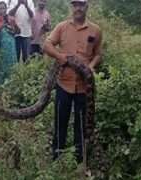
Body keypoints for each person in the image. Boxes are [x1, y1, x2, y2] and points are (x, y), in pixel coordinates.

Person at [43, 0, 102, 163]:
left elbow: (98, 54)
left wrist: (90, 66)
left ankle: (79, 161)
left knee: (82, 126)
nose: (78, 8)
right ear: (72, 7)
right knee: (60, 123)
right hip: (64, 85)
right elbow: (47, 45)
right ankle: (57, 159)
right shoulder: (62, 27)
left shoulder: (96, 30)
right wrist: (59, 56)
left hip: (85, 88)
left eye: (81, 5)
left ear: (86, 7)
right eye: (75, 4)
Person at [0, 1, 20, 84]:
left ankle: (13, 84)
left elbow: (18, 31)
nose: (2, 10)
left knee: (13, 65)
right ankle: (2, 86)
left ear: (6, 9)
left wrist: (14, 26)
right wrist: (0, 27)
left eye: (4, 8)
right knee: (3, 67)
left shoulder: (11, 19)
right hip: (1, 48)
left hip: (12, 48)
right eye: (0, 8)